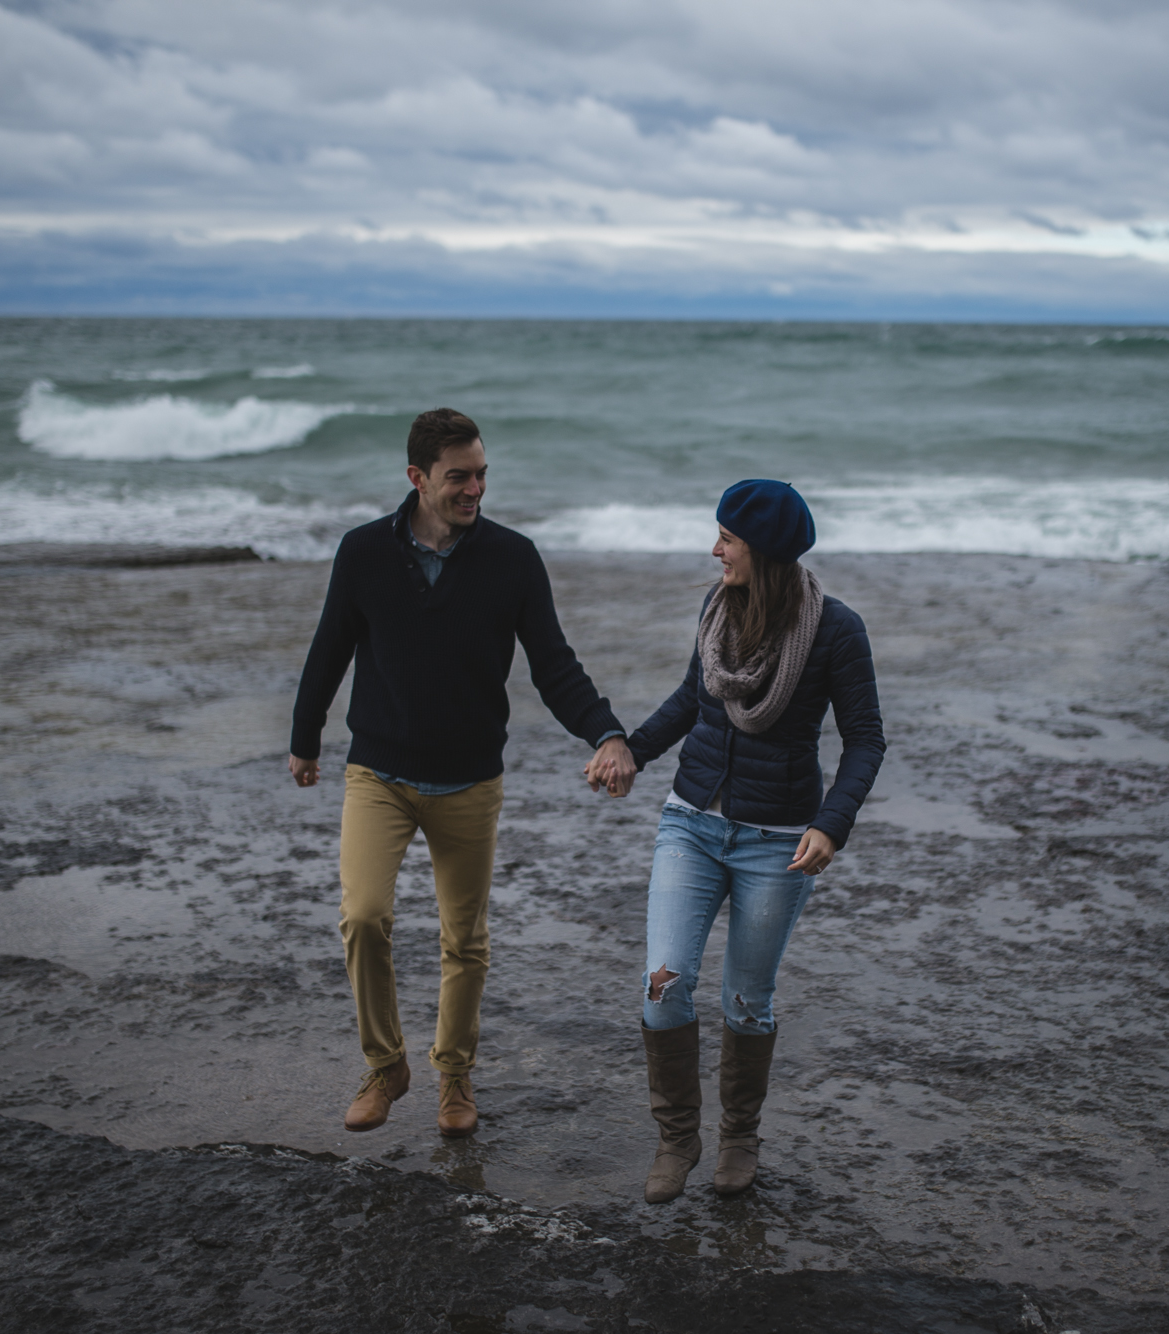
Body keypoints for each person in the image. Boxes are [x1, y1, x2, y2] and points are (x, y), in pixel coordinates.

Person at [289, 408, 637, 1139]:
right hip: (378, 772)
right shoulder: (362, 553)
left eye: (481, 472)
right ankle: (386, 1066)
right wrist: (304, 738)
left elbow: (554, 665)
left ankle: (453, 1074)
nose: (475, 487)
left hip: (470, 781)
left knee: (465, 940)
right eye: (459, 476)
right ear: (417, 478)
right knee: (362, 917)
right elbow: (330, 650)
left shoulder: (513, 558)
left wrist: (606, 730)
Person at [588, 480, 884, 1203]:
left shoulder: (836, 631)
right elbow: (694, 699)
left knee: (748, 1000)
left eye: (727, 537)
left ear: (766, 549)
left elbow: (866, 740)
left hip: (778, 839)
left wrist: (831, 822)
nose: (714, 548)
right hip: (690, 822)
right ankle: (676, 1135)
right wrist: (630, 748)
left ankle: (740, 1135)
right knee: (665, 984)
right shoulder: (715, 608)